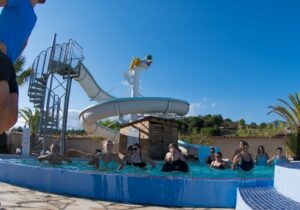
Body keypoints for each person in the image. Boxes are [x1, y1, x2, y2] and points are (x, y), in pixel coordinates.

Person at [0, 0, 46, 134]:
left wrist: (13, 60)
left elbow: (24, 42)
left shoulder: (33, 18)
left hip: (9, 62)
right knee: (3, 104)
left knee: (11, 117)